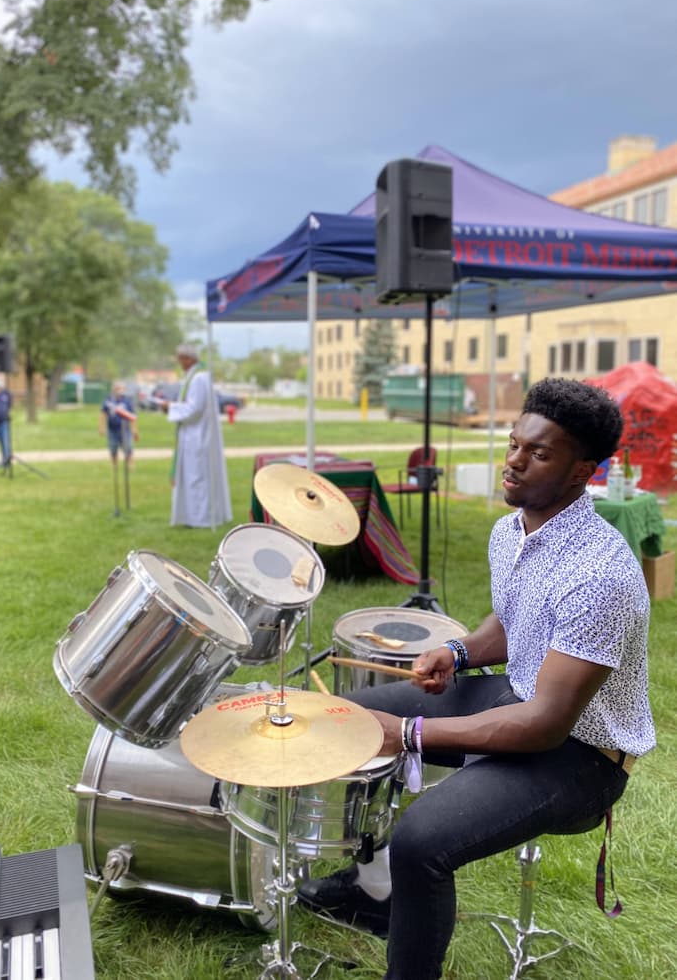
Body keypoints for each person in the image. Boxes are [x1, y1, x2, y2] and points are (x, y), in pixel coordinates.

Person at [298, 377, 656, 980]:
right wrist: (461, 652)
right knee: (349, 719)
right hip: (519, 695)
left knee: (422, 841)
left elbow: (543, 725)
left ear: (581, 472)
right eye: (515, 443)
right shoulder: (511, 530)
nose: (514, 461)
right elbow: (514, 622)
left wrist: (408, 732)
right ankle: (375, 892)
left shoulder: (602, 576)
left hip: (581, 754)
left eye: (538, 453)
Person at [157, 343, 232, 528]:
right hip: (194, 434)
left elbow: (194, 408)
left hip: (198, 435)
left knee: (197, 478)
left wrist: (170, 407)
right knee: (194, 476)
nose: (179, 363)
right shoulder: (198, 376)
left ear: (188, 359)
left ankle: (201, 518)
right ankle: (192, 516)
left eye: (181, 359)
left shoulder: (199, 378)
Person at [100, 382, 138, 465]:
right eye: (117, 388)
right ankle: (114, 465)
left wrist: (134, 429)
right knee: (113, 448)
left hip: (125, 429)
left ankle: (130, 464)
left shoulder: (127, 401)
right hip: (112, 429)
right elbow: (103, 413)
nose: (119, 391)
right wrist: (102, 427)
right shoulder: (108, 400)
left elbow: (133, 416)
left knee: (128, 448)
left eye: (121, 389)